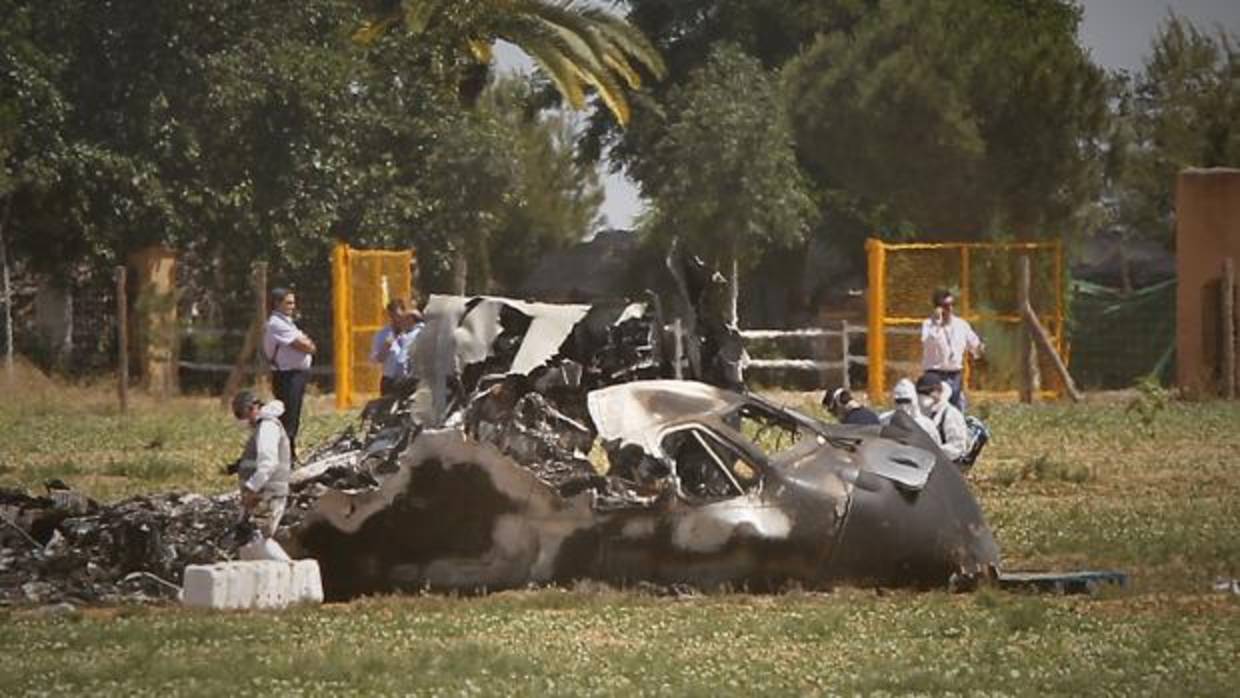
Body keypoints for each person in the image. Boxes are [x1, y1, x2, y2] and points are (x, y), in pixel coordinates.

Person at [230, 390, 292, 561]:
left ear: (253, 408)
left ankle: (294, 574)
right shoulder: (263, 427)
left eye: (246, 415)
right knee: (247, 544)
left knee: (256, 540)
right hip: (260, 494)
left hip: (266, 494)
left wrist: (251, 488)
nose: (247, 421)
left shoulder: (268, 426)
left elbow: (268, 463)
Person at [263, 287, 315, 461]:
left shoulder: (287, 322)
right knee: (288, 419)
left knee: (294, 417)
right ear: (277, 303)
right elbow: (304, 345)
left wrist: (307, 344)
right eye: (288, 302)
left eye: (293, 302)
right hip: (287, 376)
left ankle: (289, 453)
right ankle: (285, 457)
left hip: (296, 375)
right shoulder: (276, 324)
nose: (292, 306)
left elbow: (306, 343)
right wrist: (307, 345)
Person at [921, 288, 983, 411]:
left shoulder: (961, 325)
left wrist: (979, 348)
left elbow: (975, 348)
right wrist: (937, 324)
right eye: (945, 306)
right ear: (937, 308)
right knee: (935, 411)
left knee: (957, 412)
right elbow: (928, 343)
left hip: (955, 376)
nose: (950, 309)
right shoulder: (928, 325)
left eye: (952, 304)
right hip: (935, 376)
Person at [370, 299, 420, 396]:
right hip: (390, 381)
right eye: (392, 316)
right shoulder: (383, 334)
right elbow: (377, 359)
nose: (396, 319)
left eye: (398, 316)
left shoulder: (417, 333)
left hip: (411, 381)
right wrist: (387, 345)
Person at [915, 373, 969, 462]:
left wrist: (933, 451)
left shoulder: (950, 414)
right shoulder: (918, 411)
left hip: (945, 464)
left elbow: (957, 447)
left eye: (927, 392)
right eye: (920, 392)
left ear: (939, 391)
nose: (923, 396)